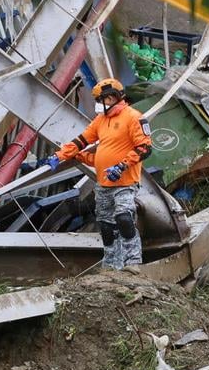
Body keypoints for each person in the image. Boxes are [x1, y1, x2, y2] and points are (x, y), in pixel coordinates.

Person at [46, 77, 152, 269]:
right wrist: (60, 155)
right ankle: (111, 263)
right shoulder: (100, 120)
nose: (98, 104)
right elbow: (81, 141)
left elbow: (144, 148)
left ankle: (133, 260)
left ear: (112, 97)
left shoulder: (133, 117)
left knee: (124, 217)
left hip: (125, 181)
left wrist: (121, 166)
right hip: (103, 183)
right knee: (105, 225)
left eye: (100, 100)